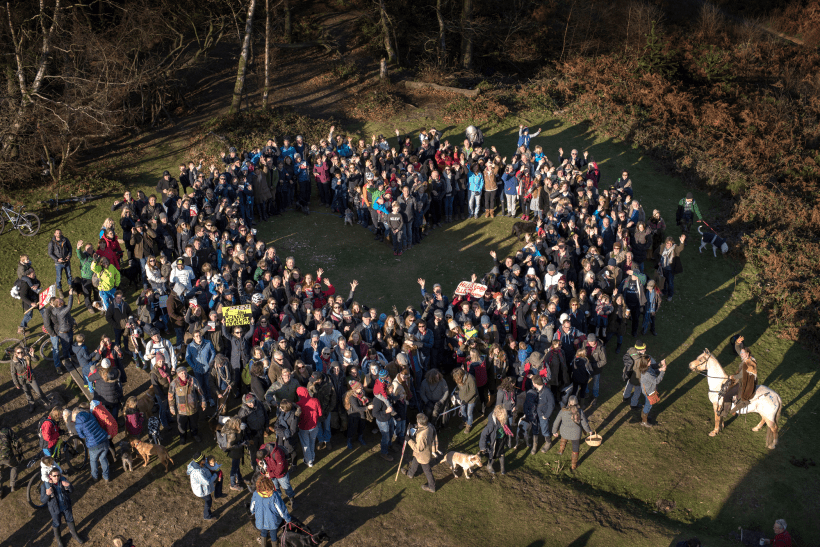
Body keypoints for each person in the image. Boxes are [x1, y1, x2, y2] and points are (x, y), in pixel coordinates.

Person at [41, 468, 86, 546]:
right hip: (55, 509)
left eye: (58, 475)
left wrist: (69, 486)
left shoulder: (63, 480)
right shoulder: (45, 486)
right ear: (50, 476)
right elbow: (43, 500)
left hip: (66, 506)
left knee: (70, 519)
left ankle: (74, 535)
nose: (56, 477)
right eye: (54, 476)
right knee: (57, 523)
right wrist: (48, 494)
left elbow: (71, 490)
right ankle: (59, 540)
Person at [720, 335, 758, 417]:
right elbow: (738, 349)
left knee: (727, 394)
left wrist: (733, 377)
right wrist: (737, 343)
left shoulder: (750, 362)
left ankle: (725, 413)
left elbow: (742, 375)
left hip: (746, 383)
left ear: (747, 354)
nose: (741, 354)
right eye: (741, 353)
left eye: (743, 353)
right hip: (742, 379)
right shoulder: (746, 357)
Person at [551, 395, 591, 471]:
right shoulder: (580, 411)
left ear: (568, 403)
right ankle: (573, 465)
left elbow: (556, 422)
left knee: (563, 438)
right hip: (575, 434)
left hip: (564, 432)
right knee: (575, 448)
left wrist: (554, 431)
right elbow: (584, 423)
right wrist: (589, 431)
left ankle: (561, 451)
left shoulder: (562, 411)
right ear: (577, 403)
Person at [168, 367, 207, 443]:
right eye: (181, 373)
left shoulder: (193, 380)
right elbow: (170, 397)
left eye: (185, 372)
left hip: (193, 408)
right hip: (181, 411)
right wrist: (172, 408)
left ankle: (195, 435)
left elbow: (200, 392)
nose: (184, 374)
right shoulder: (174, 383)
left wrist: (203, 402)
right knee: (182, 425)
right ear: (178, 374)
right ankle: (183, 437)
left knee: (194, 424)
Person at [250, 476, 292, 544]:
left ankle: (263, 545)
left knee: (263, 532)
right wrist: (287, 519)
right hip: (272, 521)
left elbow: (252, 507)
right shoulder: (274, 495)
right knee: (273, 535)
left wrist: (253, 512)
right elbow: (281, 509)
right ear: (270, 484)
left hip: (261, 520)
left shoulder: (255, 494)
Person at [401, 413, 437, 492]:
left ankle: (432, 487)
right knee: (415, 460)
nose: (417, 423)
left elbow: (417, 448)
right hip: (423, 452)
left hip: (423, 455)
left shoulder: (422, 436)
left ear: (420, 423)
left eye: (417, 422)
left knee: (427, 470)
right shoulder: (429, 425)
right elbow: (422, 427)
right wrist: (414, 426)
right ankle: (410, 474)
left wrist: (409, 440)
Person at [74, 405, 111, 483]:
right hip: (104, 439)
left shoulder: (78, 424)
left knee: (93, 461)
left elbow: (81, 436)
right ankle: (106, 476)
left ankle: (95, 477)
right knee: (103, 458)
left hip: (93, 444)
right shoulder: (90, 415)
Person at [10, 345, 49, 413]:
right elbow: (13, 373)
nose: (20, 354)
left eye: (21, 352)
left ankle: (46, 401)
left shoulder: (27, 356)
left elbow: (37, 359)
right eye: (18, 353)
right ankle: (32, 405)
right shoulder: (13, 362)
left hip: (31, 377)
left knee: (38, 391)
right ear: (15, 354)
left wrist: (33, 355)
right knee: (27, 393)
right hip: (22, 380)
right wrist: (16, 383)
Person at [523, 375, 555, 455]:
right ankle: (535, 445)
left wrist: (546, 415)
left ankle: (548, 442)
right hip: (535, 414)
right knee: (535, 429)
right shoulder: (536, 390)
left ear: (535, 383)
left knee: (544, 429)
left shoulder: (547, 392)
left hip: (543, 415)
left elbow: (552, 405)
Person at [480, 405, 511, 476]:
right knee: (494, 454)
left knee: (502, 452)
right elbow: (483, 434)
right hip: (494, 440)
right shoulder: (491, 424)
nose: (504, 421)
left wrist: (508, 437)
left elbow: (508, 427)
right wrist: (482, 446)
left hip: (502, 438)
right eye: (502, 420)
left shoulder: (504, 419)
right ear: (497, 416)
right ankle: (489, 465)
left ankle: (502, 467)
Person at [187, 452, 218, 520]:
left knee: (209, 500)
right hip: (201, 490)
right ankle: (206, 516)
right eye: (204, 459)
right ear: (200, 462)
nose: (205, 460)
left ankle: (208, 514)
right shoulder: (198, 472)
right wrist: (215, 475)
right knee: (208, 500)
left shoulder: (196, 463)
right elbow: (207, 482)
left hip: (201, 487)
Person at [295, 386, 321, 467]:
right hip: (314, 426)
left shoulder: (298, 405)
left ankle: (309, 461)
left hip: (303, 428)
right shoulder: (315, 400)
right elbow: (320, 413)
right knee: (312, 442)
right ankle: (312, 457)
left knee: (305, 444)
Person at [639, 355, 667, 427]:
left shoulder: (646, 368)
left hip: (648, 390)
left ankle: (644, 416)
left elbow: (653, 370)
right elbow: (657, 381)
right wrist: (662, 372)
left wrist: (660, 366)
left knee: (647, 404)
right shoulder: (647, 374)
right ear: (645, 363)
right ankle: (644, 421)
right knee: (648, 405)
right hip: (649, 392)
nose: (651, 362)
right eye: (649, 361)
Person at [656, 235, 685, 302]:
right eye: (668, 243)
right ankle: (664, 292)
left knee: (670, 283)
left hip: (670, 270)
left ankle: (670, 295)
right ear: (665, 242)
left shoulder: (674, 248)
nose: (669, 244)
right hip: (663, 268)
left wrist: (682, 242)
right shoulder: (662, 247)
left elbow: (680, 248)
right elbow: (657, 254)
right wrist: (658, 262)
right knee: (663, 282)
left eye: (670, 243)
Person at [452, 368, 477, 434]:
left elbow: (473, 391)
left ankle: (469, 425)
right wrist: (457, 394)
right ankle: (464, 421)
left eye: (457, 378)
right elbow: (459, 387)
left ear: (461, 375)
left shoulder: (470, 378)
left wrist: (465, 400)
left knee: (469, 413)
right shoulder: (459, 379)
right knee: (463, 410)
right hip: (463, 399)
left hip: (471, 399)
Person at [0, 422, 20, 496]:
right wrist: (19, 453)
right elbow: (16, 442)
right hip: (8, 456)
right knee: (14, 466)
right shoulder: (6, 430)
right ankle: (13, 485)